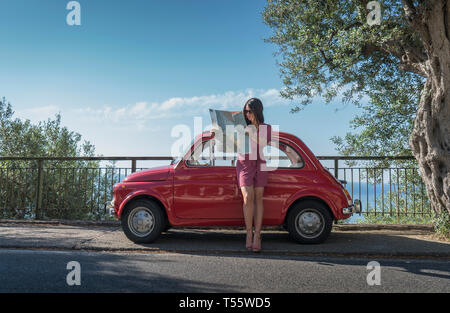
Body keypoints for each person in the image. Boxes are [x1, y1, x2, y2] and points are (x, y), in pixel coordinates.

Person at [236, 98, 272, 252]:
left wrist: (250, 133)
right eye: (245, 111)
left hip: (260, 163)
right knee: (247, 197)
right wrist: (216, 131)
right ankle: (248, 234)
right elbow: (225, 139)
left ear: (257, 111)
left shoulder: (266, 128)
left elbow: (263, 143)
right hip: (244, 163)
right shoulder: (241, 127)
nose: (247, 114)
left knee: (258, 197)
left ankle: (258, 235)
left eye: (249, 111)